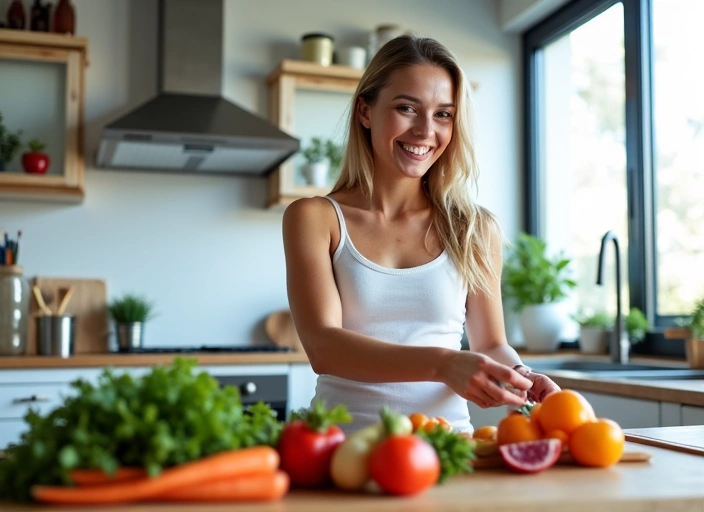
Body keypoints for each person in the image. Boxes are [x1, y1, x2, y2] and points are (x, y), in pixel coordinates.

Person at [282, 35, 560, 434]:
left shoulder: (475, 229)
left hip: (447, 448)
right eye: (406, 108)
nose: (425, 131)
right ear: (365, 110)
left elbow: (490, 343)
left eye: (443, 114)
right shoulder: (315, 218)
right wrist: (443, 364)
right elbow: (324, 348)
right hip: (341, 450)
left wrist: (520, 374)